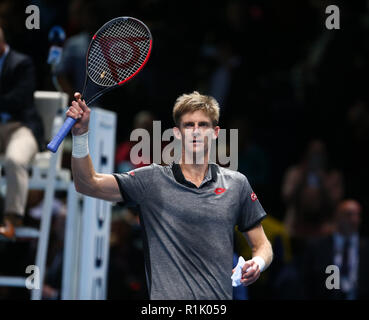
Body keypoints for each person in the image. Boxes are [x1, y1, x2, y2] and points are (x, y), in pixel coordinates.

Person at [68, 90, 273, 299]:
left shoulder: (237, 184)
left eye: (203, 125)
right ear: (177, 133)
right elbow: (87, 184)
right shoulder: (151, 180)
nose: (196, 131)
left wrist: (257, 263)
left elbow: (262, 245)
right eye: (188, 125)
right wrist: (80, 135)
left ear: (215, 133)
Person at [0, 27, 43, 239]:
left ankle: (12, 219)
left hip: (20, 127)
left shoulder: (21, 63)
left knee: (15, 160)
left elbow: (20, 99)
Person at [303, 199, 369, 299]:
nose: (354, 220)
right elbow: (307, 282)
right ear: (337, 217)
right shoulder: (317, 247)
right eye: (349, 215)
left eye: (357, 215)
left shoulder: (366, 248)